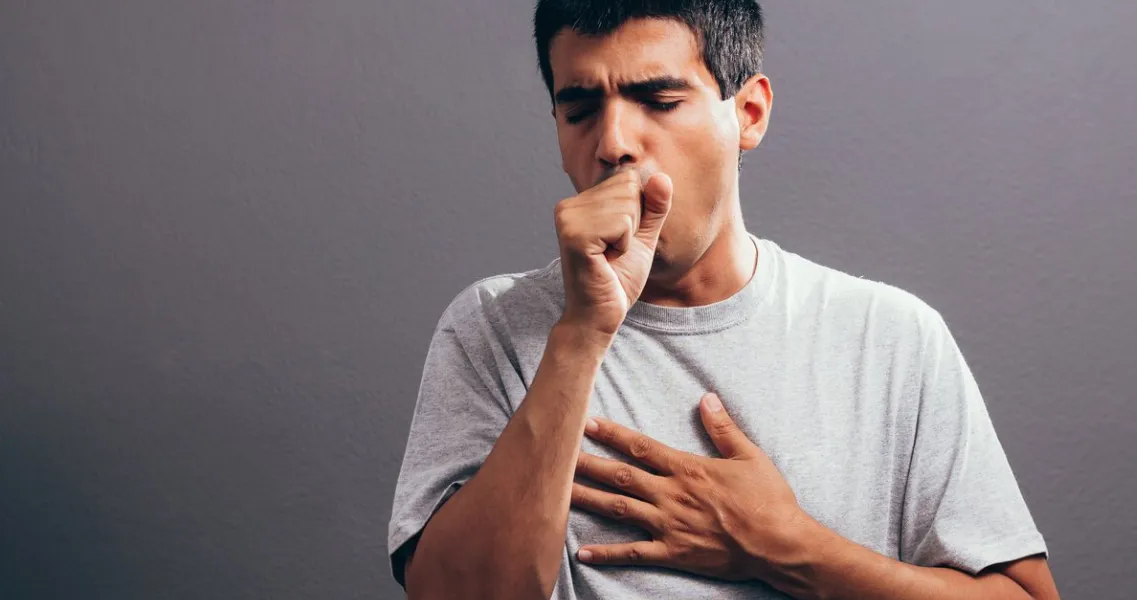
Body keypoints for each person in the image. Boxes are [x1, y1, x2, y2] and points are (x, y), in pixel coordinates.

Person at [388, 1, 1060, 598]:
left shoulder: (891, 337)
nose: (614, 143)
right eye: (580, 109)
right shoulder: (494, 329)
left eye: (659, 99)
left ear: (749, 114)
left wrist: (789, 547)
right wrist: (581, 334)